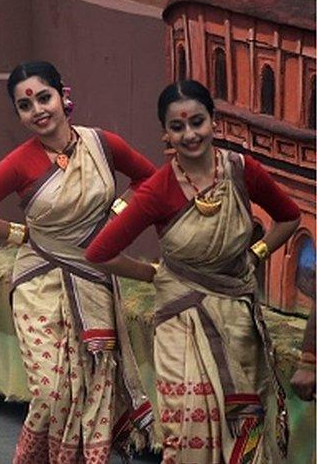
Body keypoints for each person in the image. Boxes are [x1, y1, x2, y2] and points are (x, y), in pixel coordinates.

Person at [85, 80, 300, 463]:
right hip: (180, 320)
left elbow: (288, 217)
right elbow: (100, 252)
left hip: (237, 317)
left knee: (243, 422)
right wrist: (151, 273)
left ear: (214, 122)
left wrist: (256, 254)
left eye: (197, 122)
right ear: (165, 133)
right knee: (187, 426)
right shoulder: (157, 190)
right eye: (178, 127)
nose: (190, 134)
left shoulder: (241, 171)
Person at [0, 61, 156, 462]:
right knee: (50, 392)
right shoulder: (20, 161)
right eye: (25, 106)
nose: (38, 110)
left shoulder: (102, 145)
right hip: (39, 280)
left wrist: (117, 214)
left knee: (94, 386)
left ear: (64, 96)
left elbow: (150, 180)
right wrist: (20, 234)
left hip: (94, 279)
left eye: (44, 97)